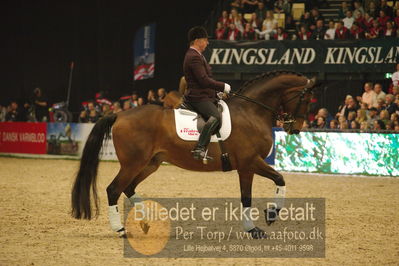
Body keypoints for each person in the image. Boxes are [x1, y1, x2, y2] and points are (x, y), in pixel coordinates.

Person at [183, 26, 231, 161]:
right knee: (215, 116)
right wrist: (223, 86)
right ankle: (200, 148)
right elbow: (203, 81)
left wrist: (216, 94)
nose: (207, 43)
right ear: (197, 40)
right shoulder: (193, 57)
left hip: (203, 94)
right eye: (205, 40)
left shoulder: (198, 56)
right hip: (197, 97)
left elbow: (204, 81)